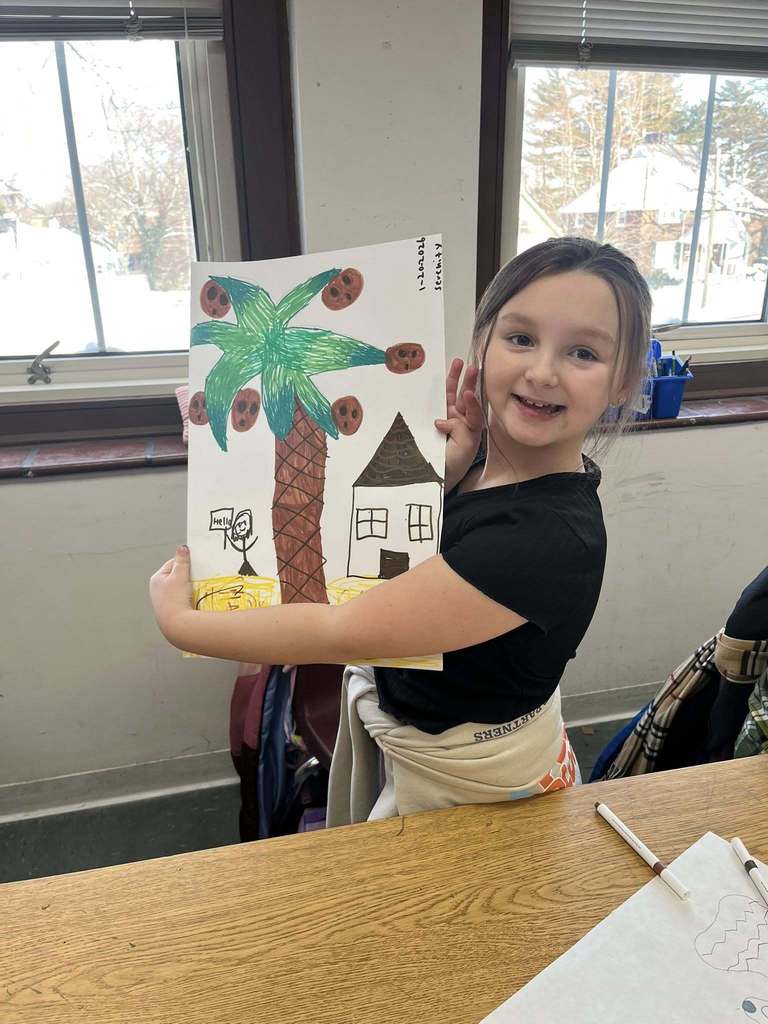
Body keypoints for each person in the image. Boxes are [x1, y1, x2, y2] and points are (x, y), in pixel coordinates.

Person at [150, 236, 652, 823]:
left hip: (474, 788)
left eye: (583, 354)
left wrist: (183, 623)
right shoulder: (484, 465)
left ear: (623, 382)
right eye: (521, 338)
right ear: (482, 346)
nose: (542, 371)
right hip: (424, 739)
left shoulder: (545, 541)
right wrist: (452, 475)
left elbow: (341, 629)